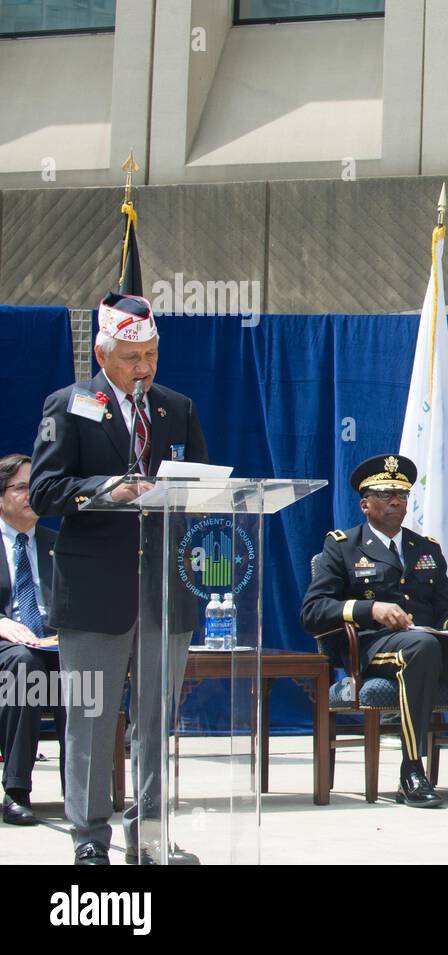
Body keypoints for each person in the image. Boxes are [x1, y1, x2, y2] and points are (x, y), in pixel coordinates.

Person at [29, 292, 208, 865]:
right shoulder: (69, 404)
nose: (144, 368)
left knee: (157, 721)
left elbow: (201, 486)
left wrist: (188, 495)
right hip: (94, 591)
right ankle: (89, 837)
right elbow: (44, 491)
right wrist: (108, 489)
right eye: (133, 357)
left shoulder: (176, 408)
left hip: (165, 587)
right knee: (91, 719)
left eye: (152, 355)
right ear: (103, 355)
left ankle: (149, 835)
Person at [301, 453, 448, 808]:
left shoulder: (425, 548)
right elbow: (314, 612)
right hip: (372, 647)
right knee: (420, 646)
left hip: (427, 642)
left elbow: (442, 607)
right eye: (384, 495)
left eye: (402, 495)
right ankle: (412, 770)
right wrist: (371, 609)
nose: (396, 501)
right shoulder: (343, 546)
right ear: (365, 504)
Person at [0, 454, 59, 825]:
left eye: (34, 487)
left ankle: (86, 792)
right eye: (21, 487)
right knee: (24, 664)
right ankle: (17, 790)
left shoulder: (59, 542)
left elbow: (79, 600)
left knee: (87, 661)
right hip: (7, 644)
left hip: (53, 642)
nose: (30, 495)